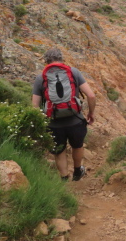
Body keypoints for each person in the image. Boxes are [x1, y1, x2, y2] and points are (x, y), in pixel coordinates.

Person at [32, 48, 96, 181]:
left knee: (59, 150)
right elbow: (91, 95)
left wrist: (41, 124)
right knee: (77, 145)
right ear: (61, 59)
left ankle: (64, 178)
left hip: (53, 123)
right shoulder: (73, 72)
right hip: (75, 120)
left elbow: (34, 106)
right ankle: (78, 172)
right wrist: (91, 113)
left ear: (46, 61)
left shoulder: (41, 78)